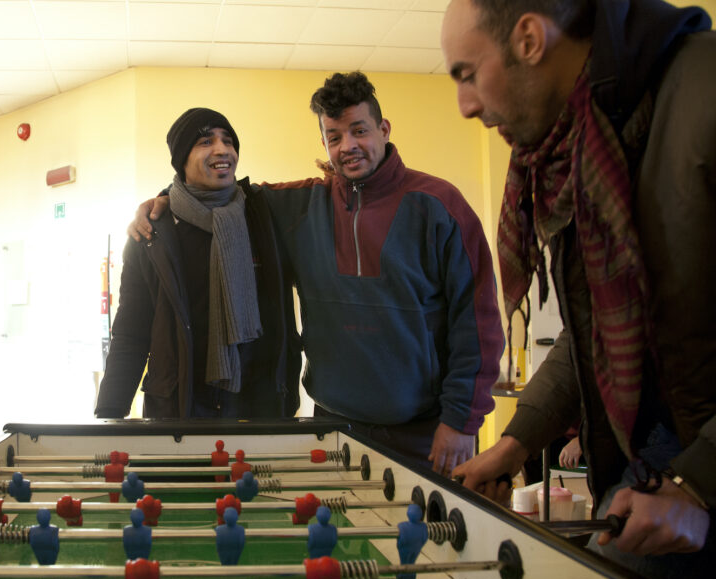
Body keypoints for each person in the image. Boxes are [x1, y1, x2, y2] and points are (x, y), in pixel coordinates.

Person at [442, 0, 716, 579]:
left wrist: (697, 488)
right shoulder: (567, 148)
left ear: (530, 40)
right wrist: (514, 445)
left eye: (466, 72)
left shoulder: (702, 91)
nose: (463, 104)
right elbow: (591, 334)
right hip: (650, 468)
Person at [131, 76, 504, 474]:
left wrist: (462, 421)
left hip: (425, 433)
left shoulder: (439, 206)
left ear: (384, 129)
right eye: (334, 136)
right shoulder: (299, 204)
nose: (348, 146)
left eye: (359, 131)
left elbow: (477, 321)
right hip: (330, 429)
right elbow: (218, 194)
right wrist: (162, 202)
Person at [95, 108, 301, 419]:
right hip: (180, 406)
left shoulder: (263, 215)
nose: (222, 150)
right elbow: (131, 332)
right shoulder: (152, 234)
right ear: (182, 160)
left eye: (228, 141)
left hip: (259, 404)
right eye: (205, 141)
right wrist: (109, 413)